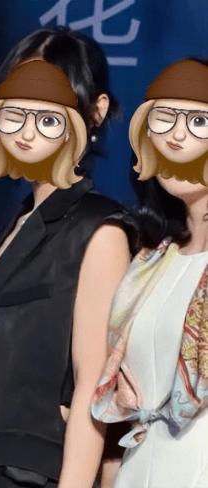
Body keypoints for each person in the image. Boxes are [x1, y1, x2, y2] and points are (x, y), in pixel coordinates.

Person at [0, 56, 131, 488]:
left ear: (73, 130)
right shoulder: (3, 234)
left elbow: (93, 384)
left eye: (47, 120)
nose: (27, 131)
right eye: (14, 117)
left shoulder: (98, 227)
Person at [92, 58, 208, 488]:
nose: (177, 136)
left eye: (199, 122)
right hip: (140, 465)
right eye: (164, 120)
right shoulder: (149, 263)